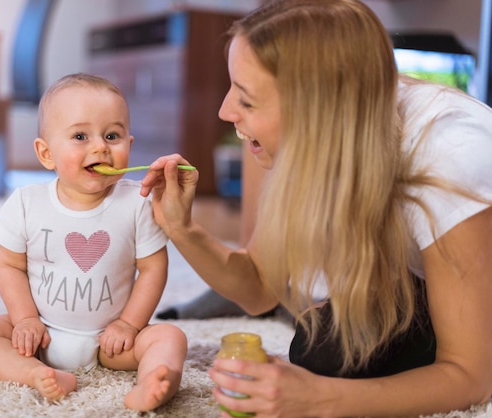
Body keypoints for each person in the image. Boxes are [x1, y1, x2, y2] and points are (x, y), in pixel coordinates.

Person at [140, 0, 492, 416]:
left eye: (247, 100)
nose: (225, 110)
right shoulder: (319, 136)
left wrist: (318, 401)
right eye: (233, 86)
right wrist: (182, 228)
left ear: (315, 112)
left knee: (329, 363)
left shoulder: (452, 155)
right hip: (414, 275)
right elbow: (258, 289)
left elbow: (472, 377)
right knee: (324, 347)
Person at [0, 73, 187, 412]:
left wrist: (129, 324)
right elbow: (8, 264)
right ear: (46, 154)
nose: (100, 147)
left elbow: (154, 268)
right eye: (81, 136)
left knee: (170, 338)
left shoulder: (137, 203)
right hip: (40, 334)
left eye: (112, 135)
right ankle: (35, 374)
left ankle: (153, 383)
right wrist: (23, 319)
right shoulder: (27, 202)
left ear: (129, 145)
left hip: (111, 343)